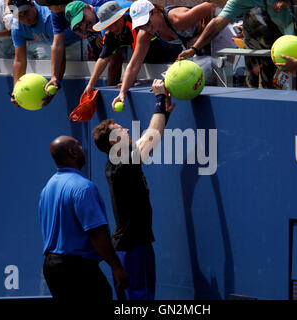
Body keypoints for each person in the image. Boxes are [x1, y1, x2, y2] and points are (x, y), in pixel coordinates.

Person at [92, 79, 175, 300]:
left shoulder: (122, 159)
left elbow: (149, 139)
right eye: (120, 130)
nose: (127, 128)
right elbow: (151, 137)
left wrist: (164, 115)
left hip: (138, 244)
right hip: (130, 248)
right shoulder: (120, 165)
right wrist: (158, 99)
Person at [39, 135, 129, 301]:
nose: (83, 149)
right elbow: (96, 232)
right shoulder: (83, 187)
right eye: (79, 146)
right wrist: (116, 267)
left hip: (52, 268)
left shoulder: (47, 188)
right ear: (73, 152)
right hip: (76, 270)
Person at [111, 0, 214, 110]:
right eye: (140, 26)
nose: (145, 28)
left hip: (217, 37)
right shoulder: (146, 33)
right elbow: (134, 64)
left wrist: (201, 35)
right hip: (197, 50)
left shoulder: (177, 19)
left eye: (146, 22)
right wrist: (122, 92)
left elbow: (211, 6)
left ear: (154, 11)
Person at [178, 0, 297, 89]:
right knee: (259, 93)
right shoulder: (239, 1)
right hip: (266, 58)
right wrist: (194, 48)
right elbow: (217, 24)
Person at [34, 0, 108, 106]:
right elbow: (57, 45)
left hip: (112, 26)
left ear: (59, 4)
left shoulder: (90, 3)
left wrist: (103, 30)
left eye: (49, 5)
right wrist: (55, 77)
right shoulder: (56, 15)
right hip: (94, 35)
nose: (48, 9)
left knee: (113, 54)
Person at [8, 0, 80, 105]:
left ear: (33, 5)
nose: (24, 18)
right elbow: (19, 60)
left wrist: (55, 84)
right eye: (19, 16)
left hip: (78, 42)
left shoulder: (49, 17)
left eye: (26, 12)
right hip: (56, 46)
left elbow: (60, 51)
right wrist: (16, 90)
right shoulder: (16, 24)